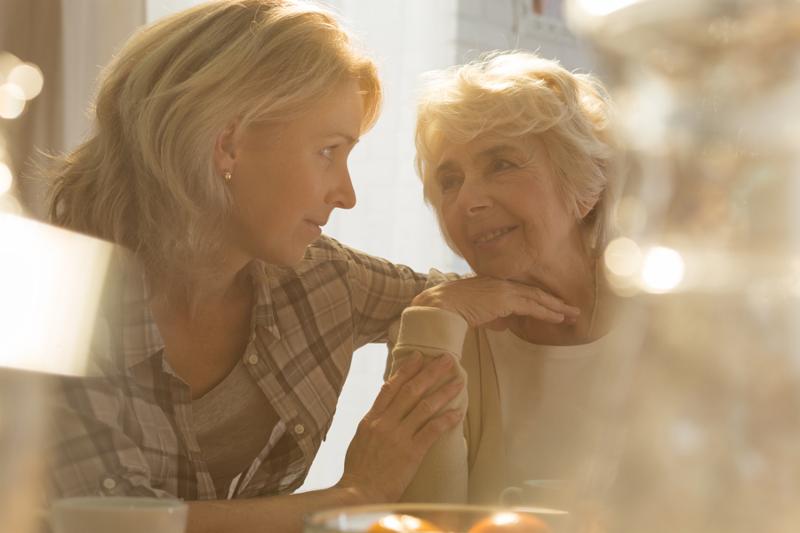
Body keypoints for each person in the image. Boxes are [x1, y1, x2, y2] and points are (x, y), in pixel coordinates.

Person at [42, 3, 576, 532]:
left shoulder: (322, 282)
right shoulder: (49, 304)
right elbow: (107, 524)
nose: (347, 195)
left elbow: (473, 296)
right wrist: (354, 493)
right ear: (229, 144)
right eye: (328, 151)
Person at [389, 50, 619, 507]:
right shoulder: (440, 330)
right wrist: (433, 319)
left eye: (502, 164)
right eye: (449, 180)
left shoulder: (676, 324)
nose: (468, 201)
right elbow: (423, 523)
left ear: (585, 186)